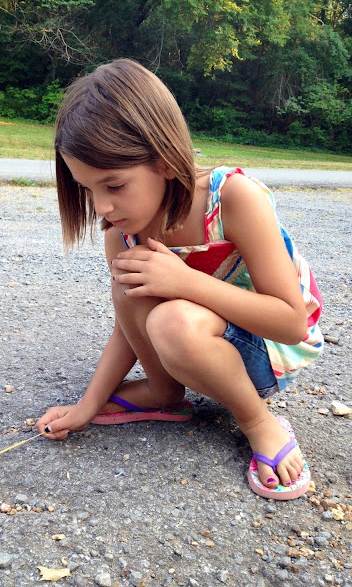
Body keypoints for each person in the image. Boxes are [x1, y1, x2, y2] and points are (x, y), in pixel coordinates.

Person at [36, 58, 323, 500]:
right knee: (135, 283)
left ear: (165, 160)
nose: (101, 208)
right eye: (86, 188)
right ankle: (163, 394)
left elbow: (290, 323)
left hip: (266, 353)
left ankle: (258, 421)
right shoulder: (122, 233)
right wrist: (87, 405)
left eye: (114, 185)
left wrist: (185, 282)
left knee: (172, 320)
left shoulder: (233, 199)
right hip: (194, 343)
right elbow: (129, 323)